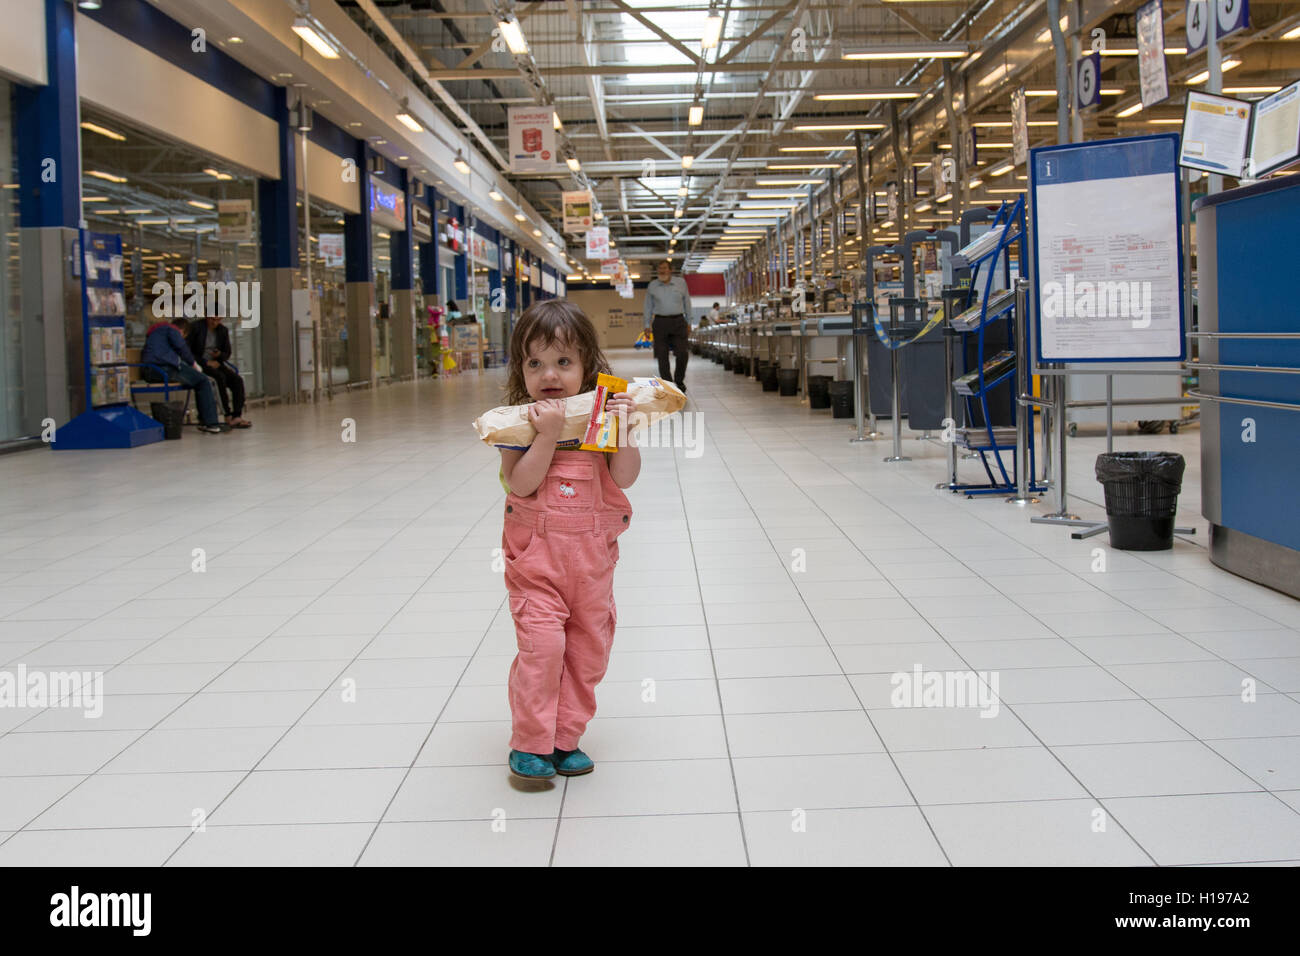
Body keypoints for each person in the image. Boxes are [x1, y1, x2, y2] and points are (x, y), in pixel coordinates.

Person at [496, 300, 641, 780]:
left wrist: (624, 432)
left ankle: (564, 738)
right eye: (535, 362)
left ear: (588, 367)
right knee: (543, 648)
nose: (549, 375)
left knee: (587, 651)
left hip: (591, 566)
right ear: (520, 368)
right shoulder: (519, 423)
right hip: (537, 566)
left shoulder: (601, 417)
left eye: (563, 362)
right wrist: (545, 436)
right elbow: (521, 484)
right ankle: (530, 742)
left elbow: (626, 477)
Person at [139, 317, 224, 434]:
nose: (182, 339)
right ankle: (211, 423)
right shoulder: (171, 330)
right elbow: (182, 348)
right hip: (164, 368)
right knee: (203, 381)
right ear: (182, 331)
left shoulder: (156, 333)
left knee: (200, 381)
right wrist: (194, 364)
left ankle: (206, 421)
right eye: (183, 337)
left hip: (150, 371)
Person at [185, 314, 251, 428]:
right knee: (219, 378)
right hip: (200, 364)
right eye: (212, 319)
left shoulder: (222, 330)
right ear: (206, 317)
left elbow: (227, 352)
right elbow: (187, 352)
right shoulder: (195, 328)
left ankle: (237, 415)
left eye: (218, 320)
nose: (214, 323)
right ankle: (227, 414)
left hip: (216, 363)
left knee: (237, 380)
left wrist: (219, 356)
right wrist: (205, 362)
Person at [642, 259, 690, 392]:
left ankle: (679, 381)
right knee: (661, 355)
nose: (662, 271)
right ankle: (669, 385)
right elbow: (648, 306)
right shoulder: (652, 285)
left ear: (670, 270)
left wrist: (689, 321)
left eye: (664, 268)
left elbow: (687, 302)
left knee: (682, 353)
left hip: (678, 321)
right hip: (660, 322)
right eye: (660, 269)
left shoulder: (681, 283)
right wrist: (646, 324)